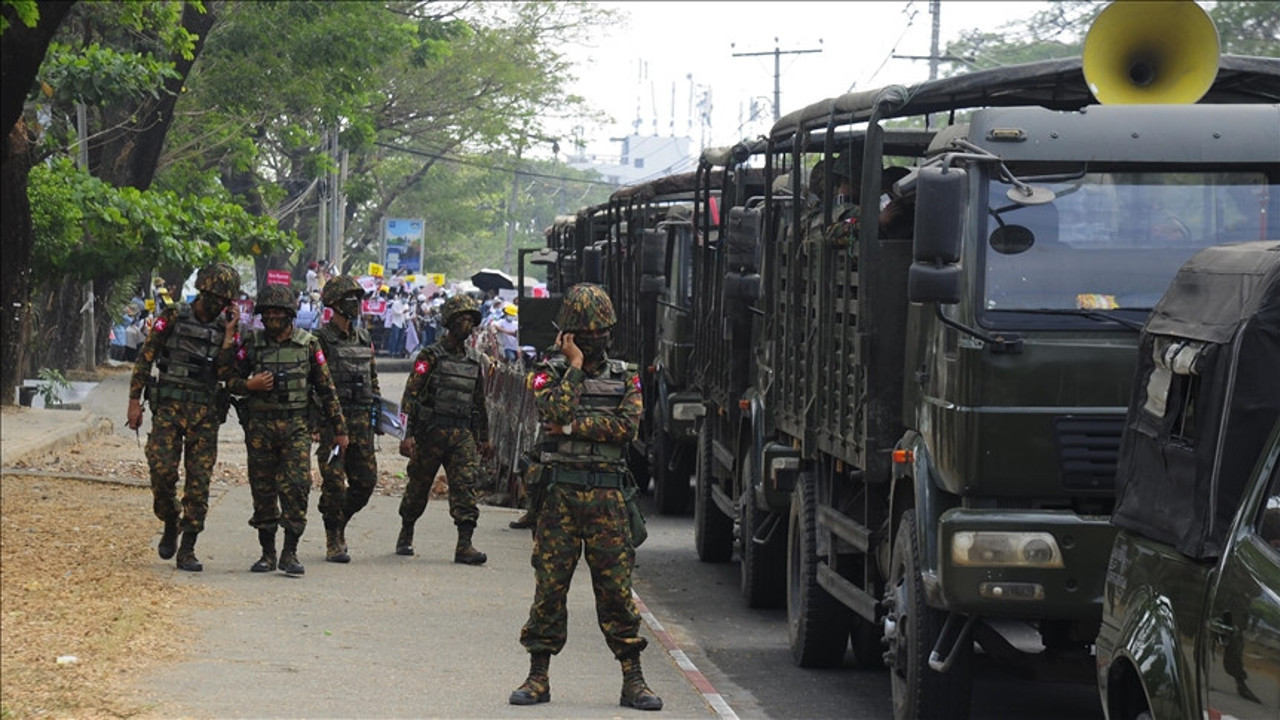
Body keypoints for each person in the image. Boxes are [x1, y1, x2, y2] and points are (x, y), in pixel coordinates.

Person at [509, 283, 662, 711]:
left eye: (596, 333)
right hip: (559, 495)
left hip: (608, 499)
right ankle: (538, 676)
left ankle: (633, 679)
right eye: (583, 334)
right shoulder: (548, 371)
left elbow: (627, 429)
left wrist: (576, 427)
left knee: (616, 591)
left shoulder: (626, 375)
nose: (594, 340)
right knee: (550, 589)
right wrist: (573, 368)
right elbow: (551, 413)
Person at [125, 262, 241, 572]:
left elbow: (228, 374)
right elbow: (146, 356)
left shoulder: (226, 328)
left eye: (225, 300)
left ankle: (188, 547)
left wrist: (229, 337)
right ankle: (170, 518)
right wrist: (134, 401)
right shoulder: (174, 315)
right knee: (161, 472)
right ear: (202, 291)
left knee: (199, 482)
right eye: (214, 296)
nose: (218, 304)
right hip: (169, 409)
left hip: (204, 414)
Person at [227, 284, 348, 576]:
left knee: (296, 486)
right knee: (263, 490)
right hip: (260, 428)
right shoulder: (252, 344)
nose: (272, 317)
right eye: (267, 312)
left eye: (278, 312)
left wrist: (339, 428)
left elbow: (326, 388)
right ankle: (267, 553)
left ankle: (289, 552)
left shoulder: (308, 345)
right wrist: (249, 385)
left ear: (290, 315)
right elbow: (228, 378)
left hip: (296, 427)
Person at [396, 294, 492, 565]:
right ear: (449, 322)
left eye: (471, 320)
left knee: (465, 487)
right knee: (418, 486)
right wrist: (407, 435)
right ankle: (407, 530)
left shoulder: (475, 360)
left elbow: (478, 402)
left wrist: (484, 438)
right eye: (462, 319)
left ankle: (465, 544)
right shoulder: (430, 356)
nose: (467, 325)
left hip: (461, 435)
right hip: (431, 432)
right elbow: (410, 396)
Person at [312, 275, 380, 564]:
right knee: (335, 483)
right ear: (335, 304)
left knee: (365, 482)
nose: (356, 305)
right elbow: (313, 383)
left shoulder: (364, 338)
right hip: (333, 426)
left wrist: (378, 417)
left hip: (362, 423)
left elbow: (372, 379)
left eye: (358, 299)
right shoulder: (320, 340)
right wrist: (317, 423)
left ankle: (339, 521)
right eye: (350, 299)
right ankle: (332, 539)